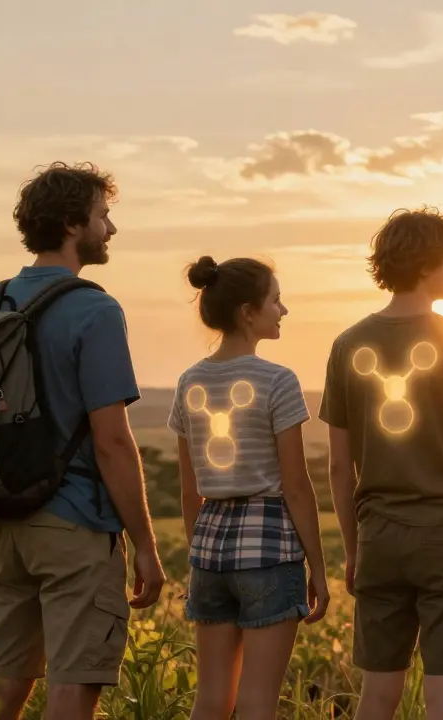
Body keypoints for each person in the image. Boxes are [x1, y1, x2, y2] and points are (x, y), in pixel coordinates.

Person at [0, 162, 166, 720]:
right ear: (70, 224)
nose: (111, 228)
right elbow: (112, 442)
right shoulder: (94, 309)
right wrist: (145, 545)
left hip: (5, 522)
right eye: (103, 216)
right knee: (73, 687)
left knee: (0, 688)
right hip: (75, 523)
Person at [319, 207, 443, 720]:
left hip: (379, 537)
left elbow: (339, 468)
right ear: (426, 264)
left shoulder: (347, 344)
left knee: (378, 692)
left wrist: (355, 550)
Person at [168, 256, 331, 720]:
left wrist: (198, 556)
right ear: (247, 312)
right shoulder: (278, 380)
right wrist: (318, 569)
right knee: (258, 703)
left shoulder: (189, 381)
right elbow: (296, 486)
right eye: (276, 301)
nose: (284, 310)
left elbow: (189, 491)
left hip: (209, 550)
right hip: (269, 548)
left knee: (211, 699)